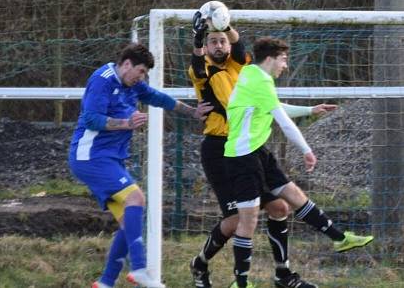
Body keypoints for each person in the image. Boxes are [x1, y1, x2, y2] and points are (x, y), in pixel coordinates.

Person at [187, 18, 337, 288]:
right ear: (206, 46)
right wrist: (199, 36)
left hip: (249, 150)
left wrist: (224, 22)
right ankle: (199, 264)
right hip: (220, 149)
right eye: (213, 41)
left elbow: (240, 47)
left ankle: (284, 276)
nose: (219, 45)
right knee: (235, 221)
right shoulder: (204, 70)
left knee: (280, 207)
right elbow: (197, 60)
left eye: (223, 40)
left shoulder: (242, 68)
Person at [223, 37, 374, 288]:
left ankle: (339, 238)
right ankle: (240, 283)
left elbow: (273, 107)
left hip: (257, 152)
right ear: (270, 58)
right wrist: (306, 149)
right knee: (248, 220)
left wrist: (310, 110)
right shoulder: (259, 79)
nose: (286, 65)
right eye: (283, 59)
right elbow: (282, 120)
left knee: (292, 195)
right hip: (242, 158)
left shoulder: (252, 74)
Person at [68, 43, 212, 288]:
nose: (142, 77)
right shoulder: (103, 81)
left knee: (129, 222)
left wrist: (192, 112)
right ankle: (140, 268)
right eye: (141, 71)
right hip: (90, 156)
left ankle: (105, 282)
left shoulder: (133, 85)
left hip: (109, 158)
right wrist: (125, 123)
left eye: (145, 73)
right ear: (126, 65)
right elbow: (91, 119)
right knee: (137, 198)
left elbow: (158, 97)